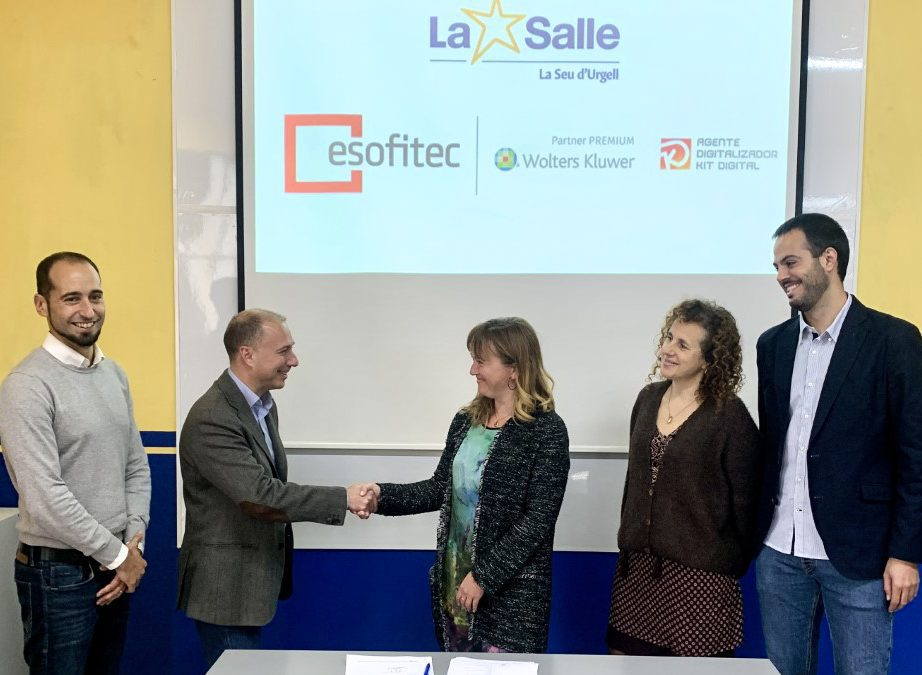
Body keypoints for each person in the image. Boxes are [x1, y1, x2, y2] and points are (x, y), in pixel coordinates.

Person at [755, 213, 922, 675]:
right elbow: (774, 447)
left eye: (790, 262)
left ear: (829, 259)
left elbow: (915, 455)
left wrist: (906, 553)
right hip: (779, 554)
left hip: (860, 557)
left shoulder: (894, 340)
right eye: (776, 266)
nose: (781, 276)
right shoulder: (772, 345)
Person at [177, 308, 376, 669]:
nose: (293, 360)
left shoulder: (263, 407)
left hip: (249, 585)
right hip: (225, 591)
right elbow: (260, 497)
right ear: (247, 355)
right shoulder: (213, 416)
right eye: (283, 351)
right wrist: (343, 498)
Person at [358, 317, 569, 653]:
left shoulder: (546, 430)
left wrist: (483, 577)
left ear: (514, 369)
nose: (472, 370)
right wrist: (381, 496)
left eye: (481, 361)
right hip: (455, 584)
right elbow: (437, 489)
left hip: (510, 595)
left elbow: (538, 519)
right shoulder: (465, 421)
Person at [0, 251, 151, 674]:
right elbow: (45, 497)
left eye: (95, 296)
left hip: (117, 569)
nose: (88, 311)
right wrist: (120, 556)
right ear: (41, 304)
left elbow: (136, 465)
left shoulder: (114, 373)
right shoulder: (27, 385)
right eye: (71, 299)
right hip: (57, 579)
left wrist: (132, 542)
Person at [607, 299, 761, 657]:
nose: (667, 350)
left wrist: (723, 561)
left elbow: (748, 503)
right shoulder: (647, 399)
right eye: (669, 338)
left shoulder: (729, 416)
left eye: (682, 345)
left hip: (700, 581)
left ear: (709, 360)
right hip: (637, 573)